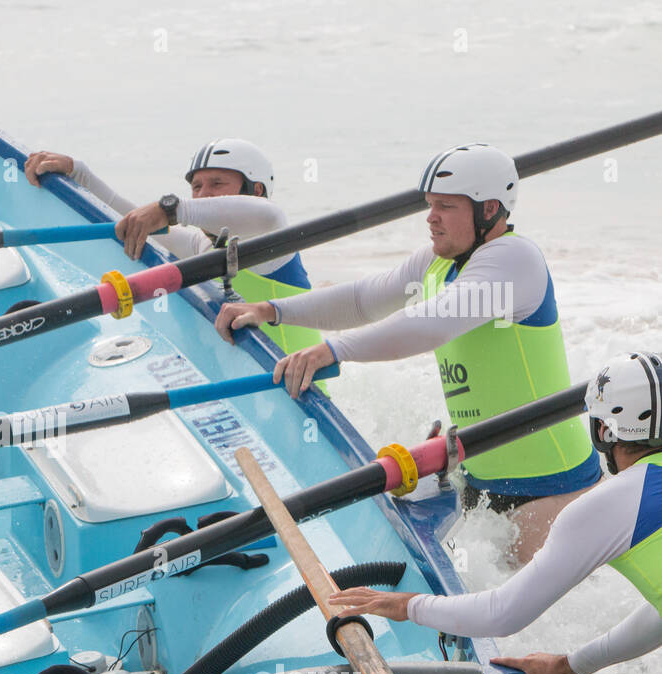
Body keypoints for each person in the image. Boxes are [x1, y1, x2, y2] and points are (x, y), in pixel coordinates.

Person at [330, 351, 662, 674]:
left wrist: (407, 605)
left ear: (604, 432)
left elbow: (501, 614)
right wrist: (569, 665)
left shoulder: (613, 503)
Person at [217, 143, 600, 562]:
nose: (430, 217)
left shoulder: (514, 260)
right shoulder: (437, 263)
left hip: (550, 488)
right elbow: (364, 299)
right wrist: (273, 310)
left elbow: (428, 325)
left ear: (489, 209)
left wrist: (333, 351)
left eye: (446, 207)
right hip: (477, 476)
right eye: (430, 205)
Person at [24, 139, 321, 355]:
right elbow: (127, 218)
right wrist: (80, 173)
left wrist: (171, 210)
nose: (203, 195)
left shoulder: (273, 236)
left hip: (311, 393)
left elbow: (266, 212)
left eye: (217, 184)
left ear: (256, 190)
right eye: (197, 187)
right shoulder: (201, 245)